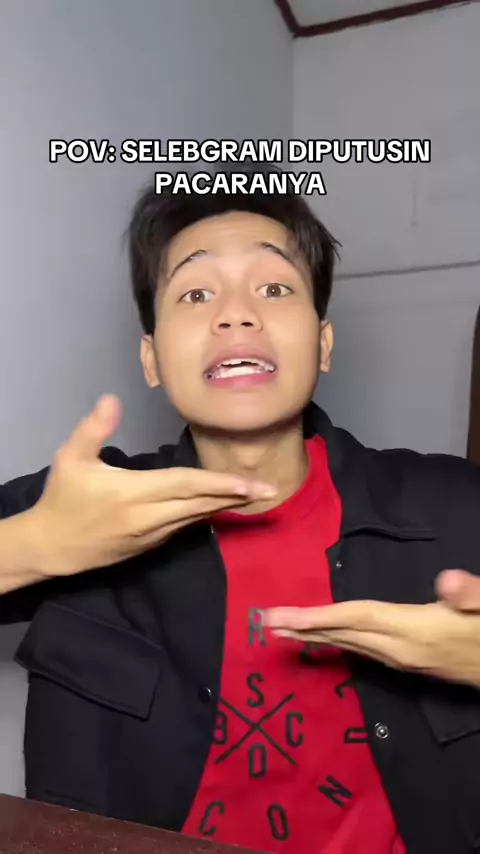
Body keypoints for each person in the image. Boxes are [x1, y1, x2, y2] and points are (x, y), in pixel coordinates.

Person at [1, 172, 480, 854]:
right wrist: (35, 546)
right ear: (151, 359)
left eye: (274, 288)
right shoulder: (83, 502)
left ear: (323, 344)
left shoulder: (455, 504)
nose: (236, 315)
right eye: (196, 294)